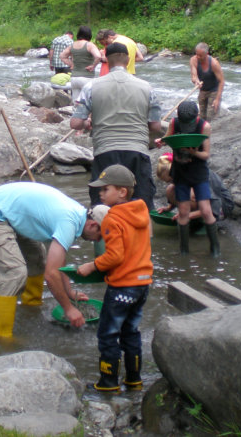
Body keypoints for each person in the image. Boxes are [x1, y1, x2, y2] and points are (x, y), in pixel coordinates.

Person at [0, 182, 105, 338]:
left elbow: (59, 262)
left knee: (38, 257)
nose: (97, 241)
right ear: (93, 224)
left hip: (9, 212)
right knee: (16, 273)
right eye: (100, 236)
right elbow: (51, 274)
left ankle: (31, 307)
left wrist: (69, 292)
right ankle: (2, 338)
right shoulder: (69, 222)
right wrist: (69, 309)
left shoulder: (79, 216)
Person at [77, 164, 153, 393]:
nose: (100, 194)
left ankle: (108, 382)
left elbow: (115, 256)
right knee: (131, 332)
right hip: (142, 283)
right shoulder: (141, 212)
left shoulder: (112, 219)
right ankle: (134, 379)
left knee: (108, 334)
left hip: (122, 286)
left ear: (122, 192)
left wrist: (92, 266)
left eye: (105, 189)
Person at [70, 42, 162, 213]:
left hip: (105, 152)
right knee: (142, 208)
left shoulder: (91, 86)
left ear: (106, 61)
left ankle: (104, 238)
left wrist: (87, 123)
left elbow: (75, 123)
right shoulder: (147, 87)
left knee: (101, 209)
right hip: (137, 152)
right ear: (128, 60)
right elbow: (155, 126)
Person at [155, 100, 220, 257]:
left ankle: (215, 249)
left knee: (205, 210)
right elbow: (167, 138)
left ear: (196, 117)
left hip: (198, 173)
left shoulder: (204, 126)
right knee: (183, 211)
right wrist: (161, 142)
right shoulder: (174, 123)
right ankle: (184, 251)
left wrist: (193, 152)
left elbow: (206, 154)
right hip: (180, 172)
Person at [60, 25, 102, 99]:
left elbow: (62, 56)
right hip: (87, 77)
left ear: (78, 34)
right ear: (89, 35)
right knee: (88, 101)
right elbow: (98, 56)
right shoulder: (90, 45)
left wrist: (71, 64)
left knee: (76, 102)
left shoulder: (72, 45)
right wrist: (93, 66)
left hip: (74, 78)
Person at [189, 42, 225, 121]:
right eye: (196, 54)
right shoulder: (193, 60)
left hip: (214, 91)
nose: (198, 57)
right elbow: (194, 76)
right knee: (202, 116)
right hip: (203, 90)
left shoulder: (214, 63)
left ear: (206, 54)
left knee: (211, 116)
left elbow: (222, 81)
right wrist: (196, 81)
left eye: (200, 55)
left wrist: (217, 99)